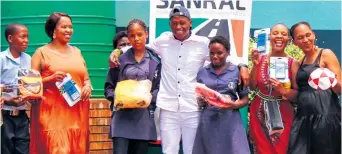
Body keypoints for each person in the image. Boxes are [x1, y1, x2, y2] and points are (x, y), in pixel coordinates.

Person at [109, 6, 249, 154]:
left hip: (192, 107)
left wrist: (243, 66)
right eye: (174, 23)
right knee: (169, 150)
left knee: (191, 150)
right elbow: (141, 46)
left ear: (190, 23)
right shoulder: (163, 41)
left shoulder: (202, 43)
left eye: (182, 22)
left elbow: (225, 56)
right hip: (168, 107)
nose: (178, 27)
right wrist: (118, 51)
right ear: (170, 25)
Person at [30, 12, 92, 154]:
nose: (69, 30)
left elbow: (86, 78)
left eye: (70, 27)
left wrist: (88, 86)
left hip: (77, 114)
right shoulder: (41, 53)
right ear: (53, 31)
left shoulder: (77, 52)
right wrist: (49, 79)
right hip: (51, 116)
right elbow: (30, 85)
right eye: (64, 27)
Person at [287, 21, 341, 154]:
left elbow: (339, 89)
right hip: (303, 117)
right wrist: (281, 90)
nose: (305, 40)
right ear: (294, 42)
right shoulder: (297, 64)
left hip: (326, 116)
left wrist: (329, 78)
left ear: (313, 35)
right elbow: (296, 93)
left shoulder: (326, 54)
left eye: (308, 35)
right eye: (300, 38)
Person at [109, 19, 161, 154]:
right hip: (121, 118)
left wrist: (149, 102)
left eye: (140, 34)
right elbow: (109, 87)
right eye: (132, 35)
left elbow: (158, 88)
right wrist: (119, 99)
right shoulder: (119, 60)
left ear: (146, 34)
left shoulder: (155, 60)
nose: (136, 39)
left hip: (142, 120)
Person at [192, 36, 250, 154]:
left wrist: (232, 105)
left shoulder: (236, 72)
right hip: (208, 120)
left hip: (230, 120)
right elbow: (198, 97)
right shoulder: (203, 72)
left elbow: (245, 99)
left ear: (228, 53)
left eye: (219, 53)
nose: (215, 56)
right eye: (212, 53)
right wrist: (201, 100)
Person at [249, 23, 299, 154]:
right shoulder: (260, 59)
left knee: (280, 150)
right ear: (270, 37)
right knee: (261, 149)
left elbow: (298, 95)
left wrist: (283, 90)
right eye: (275, 33)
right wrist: (255, 65)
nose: (279, 36)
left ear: (288, 40)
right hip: (258, 113)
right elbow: (252, 87)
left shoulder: (293, 63)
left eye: (284, 34)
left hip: (283, 115)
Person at [0, 23, 30, 154]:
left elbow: (31, 84)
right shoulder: (1, 59)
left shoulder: (28, 59)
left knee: (23, 150)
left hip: (22, 117)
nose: (26, 40)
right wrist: (7, 100)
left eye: (28, 37)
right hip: (4, 117)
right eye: (23, 37)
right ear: (10, 39)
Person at [105, 31, 130, 110]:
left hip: (140, 110)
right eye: (122, 45)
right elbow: (108, 90)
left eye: (129, 44)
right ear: (116, 49)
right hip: (119, 110)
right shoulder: (114, 66)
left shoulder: (142, 64)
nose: (126, 47)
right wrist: (119, 97)